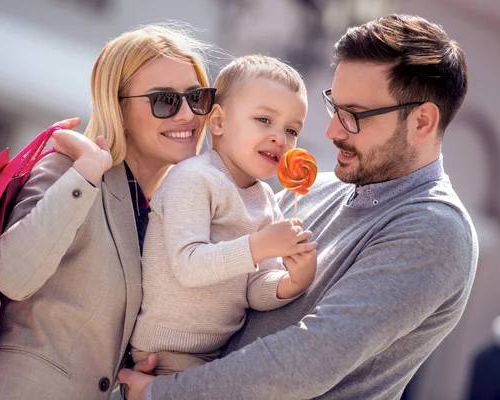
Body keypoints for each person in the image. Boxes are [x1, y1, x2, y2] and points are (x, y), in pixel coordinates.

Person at [118, 14, 479, 400]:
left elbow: (306, 361)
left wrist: (163, 393)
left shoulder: (435, 228)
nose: (331, 132)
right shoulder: (313, 189)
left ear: (422, 121)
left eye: (353, 115)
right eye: (333, 107)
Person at [0, 23, 215, 400]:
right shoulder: (71, 172)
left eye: (196, 97)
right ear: (118, 107)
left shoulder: (175, 214)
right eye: (165, 101)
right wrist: (86, 173)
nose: (188, 114)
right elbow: (12, 276)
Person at [129, 55, 317, 376]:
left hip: (214, 354)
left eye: (291, 129)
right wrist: (259, 246)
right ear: (218, 122)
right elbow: (189, 265)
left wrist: (291, 281)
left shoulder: (265, 199)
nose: (280, 138)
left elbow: (253, 289)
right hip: (169, 351)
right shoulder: (195, 178)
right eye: (263, 120)